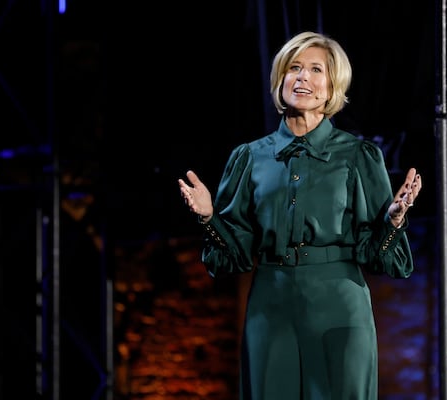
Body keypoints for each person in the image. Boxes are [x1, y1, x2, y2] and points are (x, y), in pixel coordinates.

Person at [178, 31, 422, 400]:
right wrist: (209, 218)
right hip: (270, 306)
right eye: (294, 68)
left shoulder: (358, 156)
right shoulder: (250, 157)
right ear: (280, 81)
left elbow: (379, 255)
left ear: (331, 86)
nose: (303, 78)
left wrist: (393, 220)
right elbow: (235, 256)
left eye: (315, 70)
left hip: (339, 306)